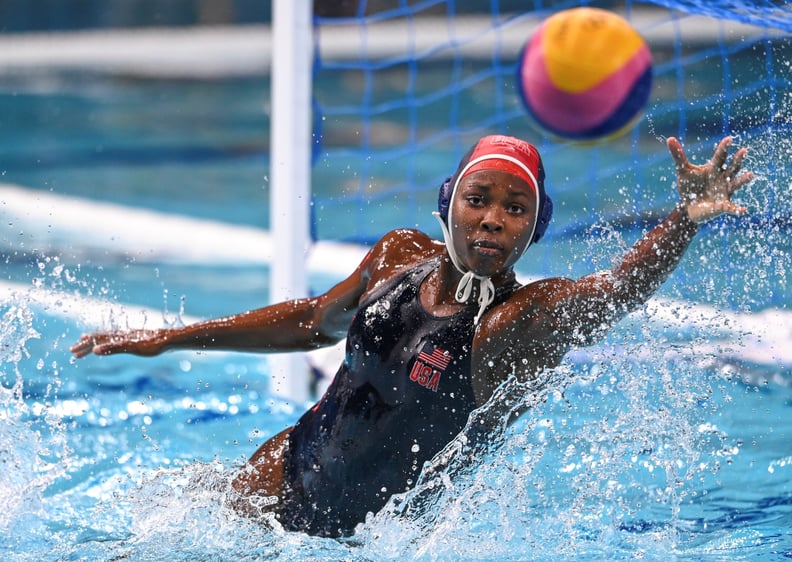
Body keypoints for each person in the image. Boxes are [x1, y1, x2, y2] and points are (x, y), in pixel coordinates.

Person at [71, 134, 753, 538]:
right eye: (478, 199)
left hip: (374, 537)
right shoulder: (398, 256)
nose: (492, 220)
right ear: (448, 203)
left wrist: (685, 219)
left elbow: (616, 292)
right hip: (280, 472)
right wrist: (173, 339)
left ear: (535, 227)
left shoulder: (518, 326)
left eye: (515, 209)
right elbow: (314, 320)